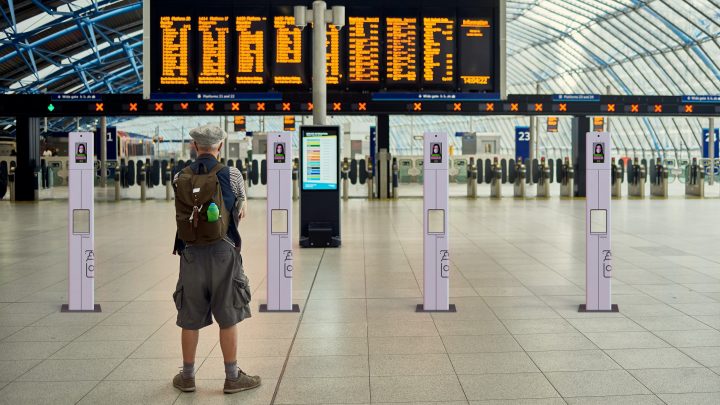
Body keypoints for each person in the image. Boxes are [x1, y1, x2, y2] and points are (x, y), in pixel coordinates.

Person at [171, 124, 259, 394]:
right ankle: (232, 377)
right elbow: (241, 209)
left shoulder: (179, 176)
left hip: (190, 253)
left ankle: (187, 377)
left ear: (195, 146)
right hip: (224, 251)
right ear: (220, 146)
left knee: (189, 315)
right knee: (228, 314)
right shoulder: (232, 175)